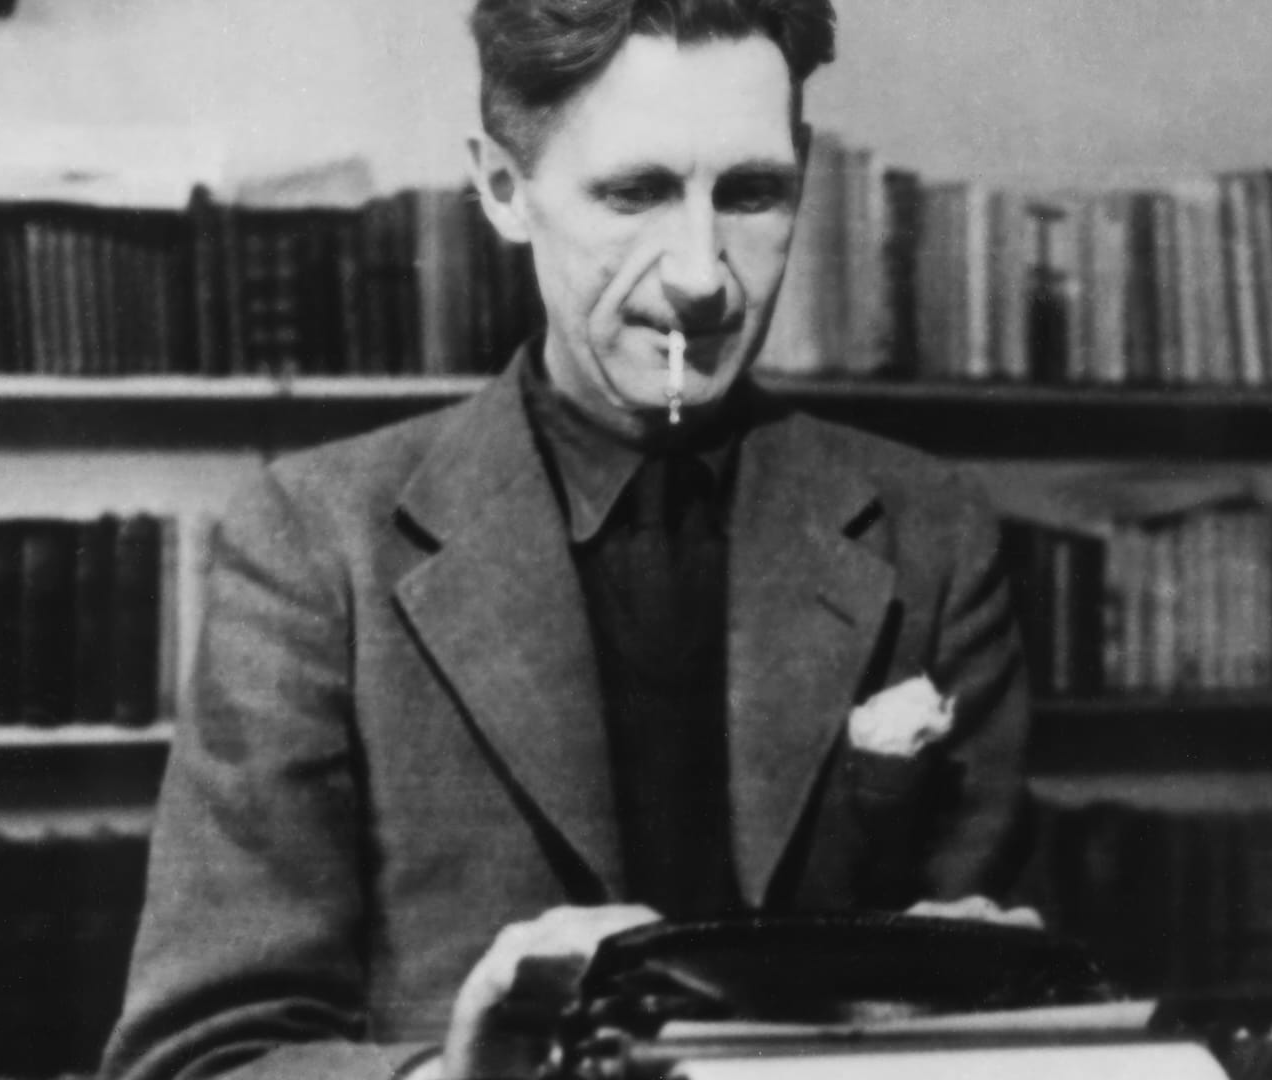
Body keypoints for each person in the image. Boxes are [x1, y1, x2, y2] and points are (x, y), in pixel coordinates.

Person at [101, 2, 1033, 1078]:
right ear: (504, 188)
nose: (700, 276)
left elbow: (1014, 1020)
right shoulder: (314, 544)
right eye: (634, 193)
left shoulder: (933, 534)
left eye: (750, 193)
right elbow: (196, 1061)